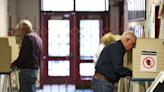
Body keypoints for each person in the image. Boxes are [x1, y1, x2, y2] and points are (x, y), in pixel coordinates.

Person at [10, 20, 42, 92]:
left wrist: (14, 64)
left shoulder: (28, 37)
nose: (20, 33)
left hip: (27, 72)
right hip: (34, 71)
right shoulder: (38, 38)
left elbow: (23, 55)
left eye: (20, 30)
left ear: (24, 28)